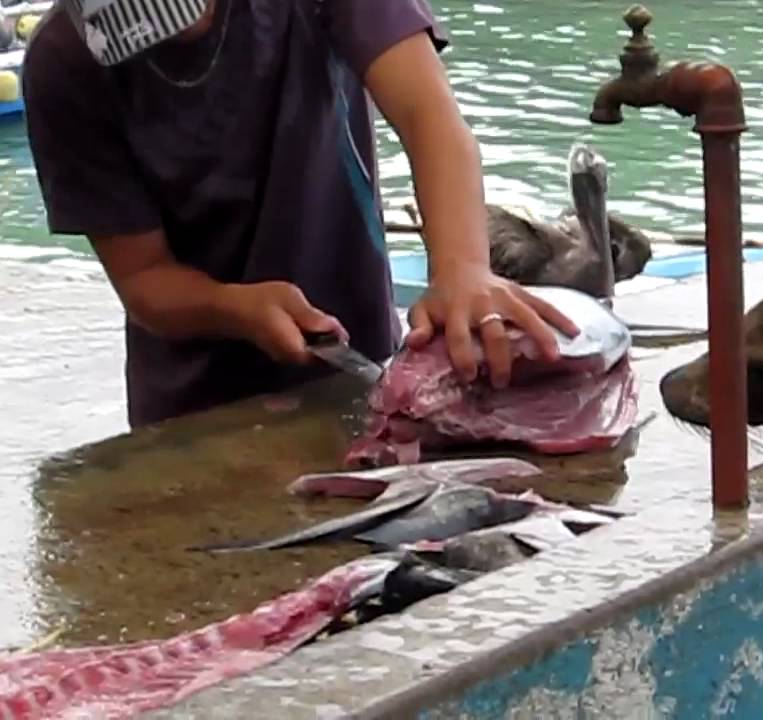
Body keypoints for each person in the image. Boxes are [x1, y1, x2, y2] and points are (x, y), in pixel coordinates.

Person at [21, 0, 578, 428]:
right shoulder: (64, 64)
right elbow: (143, 276)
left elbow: (428, 116)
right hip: (192, 414)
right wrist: (233, 307)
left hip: (362, 364)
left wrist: (461, 269)